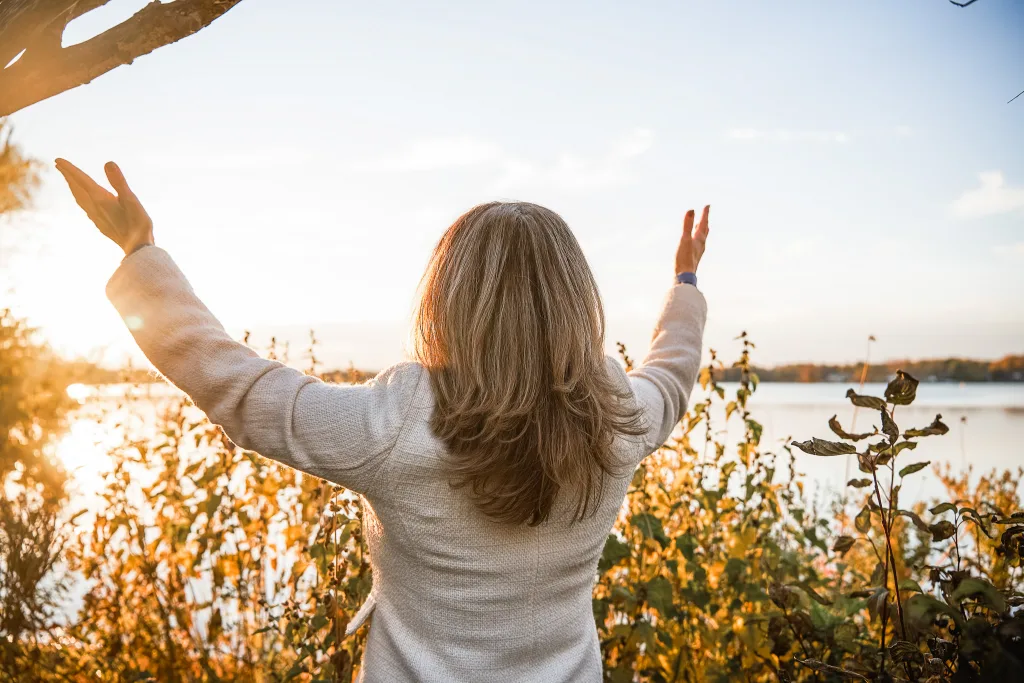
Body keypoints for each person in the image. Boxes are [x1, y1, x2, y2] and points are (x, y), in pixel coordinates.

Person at [55, 158, 710, 683]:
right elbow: (674, 373)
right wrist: (685, 278)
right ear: (573, 302)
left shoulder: (400, 419)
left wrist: (140, 252)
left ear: (449, 299)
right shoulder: (617, 413)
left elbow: (243, 390)